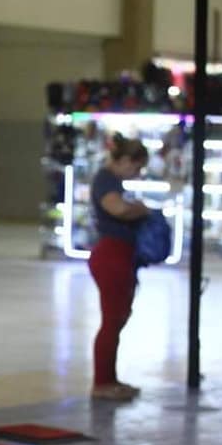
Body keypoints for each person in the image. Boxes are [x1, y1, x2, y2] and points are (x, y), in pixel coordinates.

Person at [89, 134, 149, 401]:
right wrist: (141, 210)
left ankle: (110, 379)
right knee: (112, 320)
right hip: (111, 255)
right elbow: (118, 210)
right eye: (136, 168)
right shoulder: (106, 180)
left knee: (119, 317)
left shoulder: (113, 181)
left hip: (121, 255)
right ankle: (102, 382)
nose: (137, 174)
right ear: (124, 160)